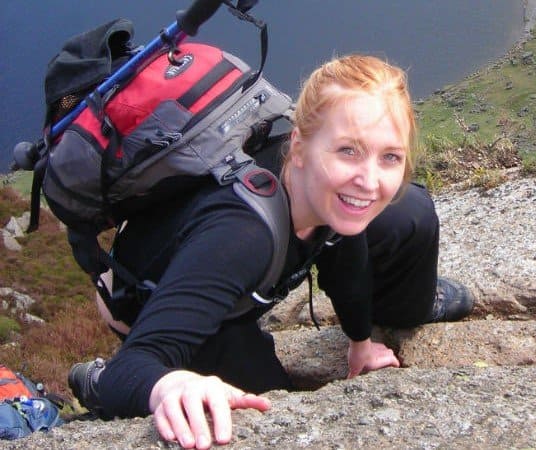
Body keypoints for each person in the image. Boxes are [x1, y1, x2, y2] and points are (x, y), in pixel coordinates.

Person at [68, 54, 473, 449]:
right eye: (348, 150)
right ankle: (94, 382)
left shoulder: (321, 191)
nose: (369, 180)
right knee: (268, 410)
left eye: (390, 157)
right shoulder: (242, 236)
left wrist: (360, 342)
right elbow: (136, 365)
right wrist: (168, 384)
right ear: (298, 148)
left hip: (225, 258)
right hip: (156, 301)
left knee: (410, 212)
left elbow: (344, 247)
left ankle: (409, 307)